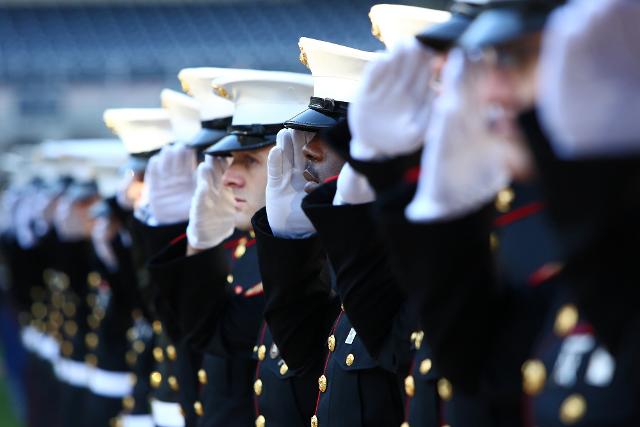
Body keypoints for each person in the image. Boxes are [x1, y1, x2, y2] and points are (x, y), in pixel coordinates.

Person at [146, 70, 314, 427]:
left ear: (296, 163)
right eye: (229, 160)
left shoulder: (319, 263)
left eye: (249, 160)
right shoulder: (246, 246)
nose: (227, 178)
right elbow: (200, 332)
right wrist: (198, 243)